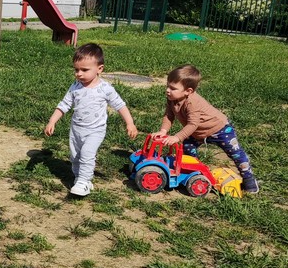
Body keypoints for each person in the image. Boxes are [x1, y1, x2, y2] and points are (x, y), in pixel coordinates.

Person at [44, 43, 138, 196]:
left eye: (84, 70)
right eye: (76, 70)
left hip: (95, 130)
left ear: (99, 69)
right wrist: (52, 121)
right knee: (75, 156)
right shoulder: (75, 86)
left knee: (87, 153)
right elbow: (64, 104)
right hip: (76, 129)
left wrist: (130, 123)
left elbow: (120, 105)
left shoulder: (105, 89)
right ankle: (80, 178)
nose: (79, 74)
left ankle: (83, 181)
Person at [153, 64, 259, 194]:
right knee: (187, 148)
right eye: (167, 86)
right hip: (198, 133)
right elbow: (168, 116)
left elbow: (193, 124)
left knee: (236, 153)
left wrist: (177, 137)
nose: (168, 90)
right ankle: (191, 173)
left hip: (220, 129)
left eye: (173, 88)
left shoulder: (192, 102)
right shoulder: (171, 99)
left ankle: (249, 179)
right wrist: (163, 131)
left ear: (188, 91)